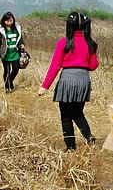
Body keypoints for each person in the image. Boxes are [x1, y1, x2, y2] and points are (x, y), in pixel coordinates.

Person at [37, 11, 99, 151]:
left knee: (65, 116)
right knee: (77, 112)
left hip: (67, 81)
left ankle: (71, 147)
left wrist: (45, 86)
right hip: (83, 80)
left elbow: (55, 66)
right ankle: (88, 136)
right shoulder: (90, 43)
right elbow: (93, 65)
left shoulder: (64, 42)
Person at [0, 12, 26, 93]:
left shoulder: (16, 28)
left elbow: (20, 38)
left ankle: (10, 80)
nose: (9, 22)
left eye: (10, 21)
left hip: (15, 53)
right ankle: (7, 86)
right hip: (5, 54)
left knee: (16, 69)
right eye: (7, 21)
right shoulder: (0, 30)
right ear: (4, 21)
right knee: (7, 71)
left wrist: (22, 45)